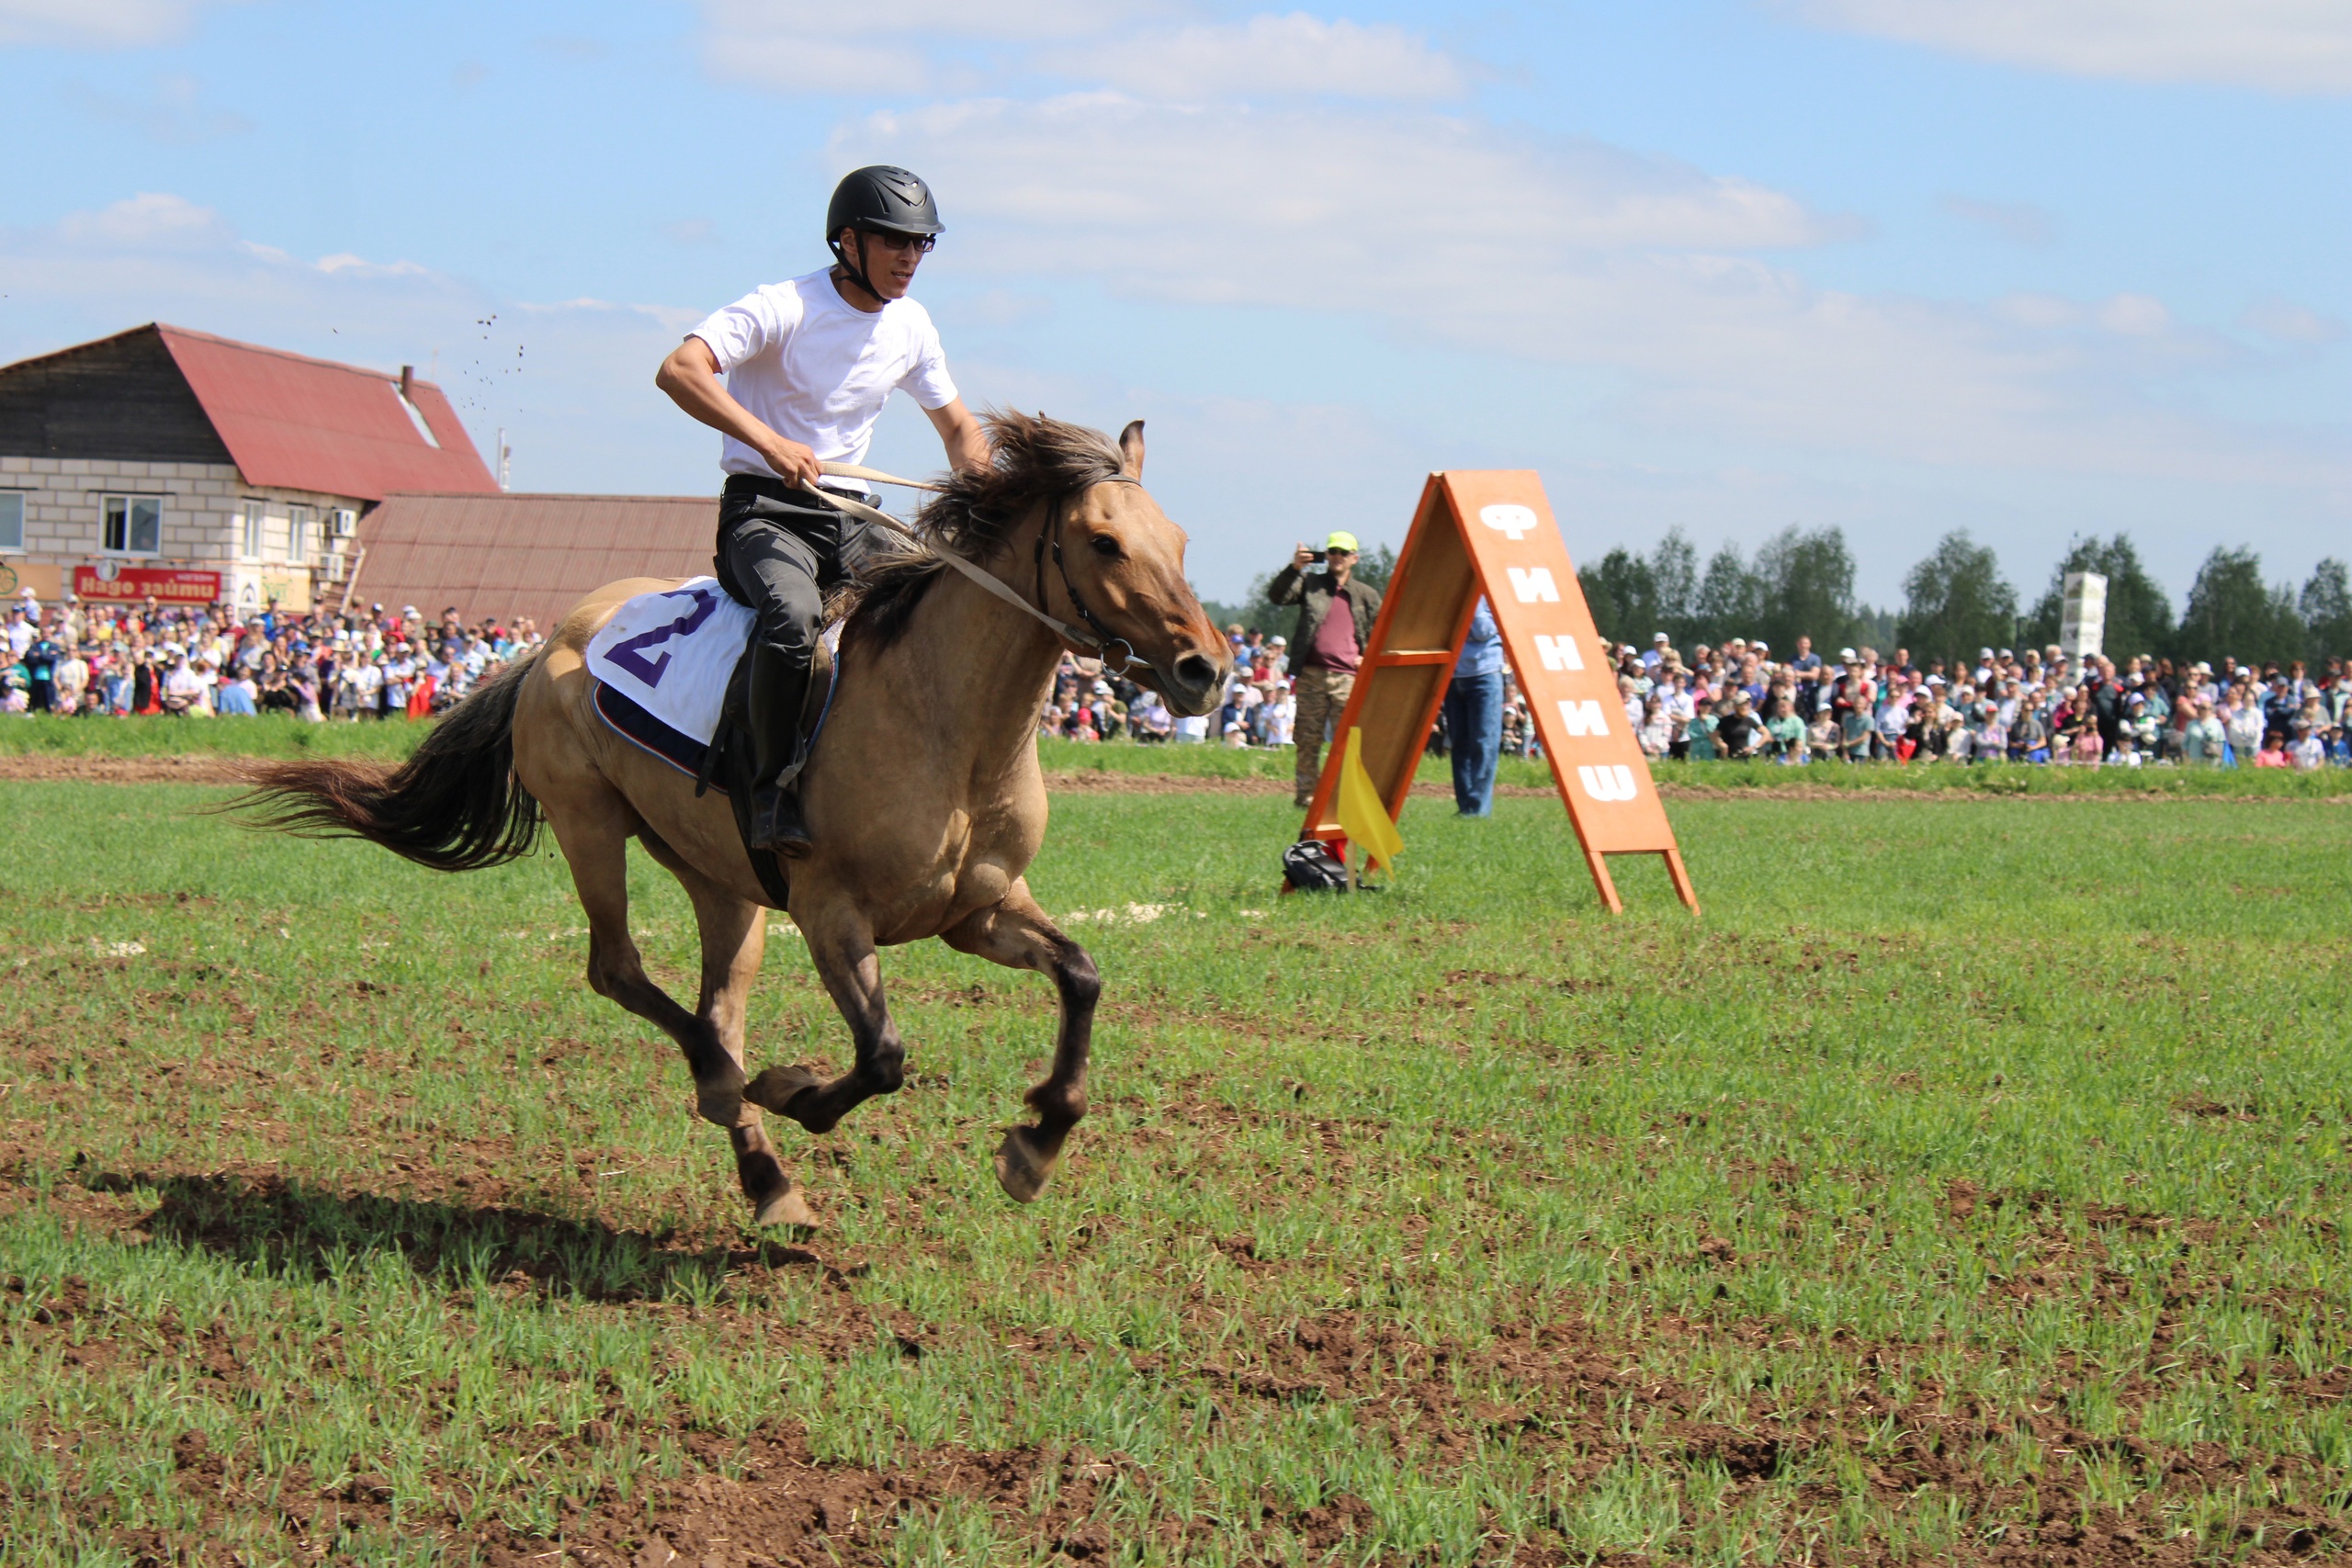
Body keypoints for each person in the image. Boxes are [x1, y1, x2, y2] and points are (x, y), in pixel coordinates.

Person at [656, 164, 989, 853]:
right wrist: (770, 442)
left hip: (852, 517)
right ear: (848, 241)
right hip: (762, 513)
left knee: (943, 604)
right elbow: (679, 370)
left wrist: (987, 497)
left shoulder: (912, 325)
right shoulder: (781, 306)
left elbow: (959, 428)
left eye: (921, 243)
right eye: (895, 241)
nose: (910, 257)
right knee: (794, 617)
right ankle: (767, 791)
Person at [1268, 531, 1382, 808]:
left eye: (1344, 552)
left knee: (1350, 740)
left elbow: (1383, 630)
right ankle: (1307, 796)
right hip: (1311, 675)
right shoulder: (1311, 584)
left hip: (1349, 678)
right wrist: (1294, 568)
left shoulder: (1366, 595)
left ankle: (1346, 796)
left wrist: (1369, 658)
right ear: (1326, 555)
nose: (1337, 557)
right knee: (1307, 739)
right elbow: (1278, 596)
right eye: (1333, 551)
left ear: (1355, 558)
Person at [1442, 597, 1503, 816]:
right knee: (1459, 743)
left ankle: (1477, 809)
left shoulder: (1491, 593)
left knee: (1484, 742)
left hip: (1485, 672)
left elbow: (1483, 630)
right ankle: (1465, 807)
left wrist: (1473, 600)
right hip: (1453, 673)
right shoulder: (1451, 591)